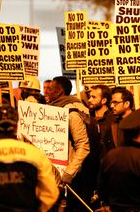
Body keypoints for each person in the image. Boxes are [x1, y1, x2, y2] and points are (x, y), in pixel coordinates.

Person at [47, 76, 90, 210]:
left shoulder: (71, 113)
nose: (46, 92)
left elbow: (83, 144)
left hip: (67, 177)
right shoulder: (50, 110)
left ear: (59, 91)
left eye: (50, 88)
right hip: (51, 176)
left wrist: (69, 172)